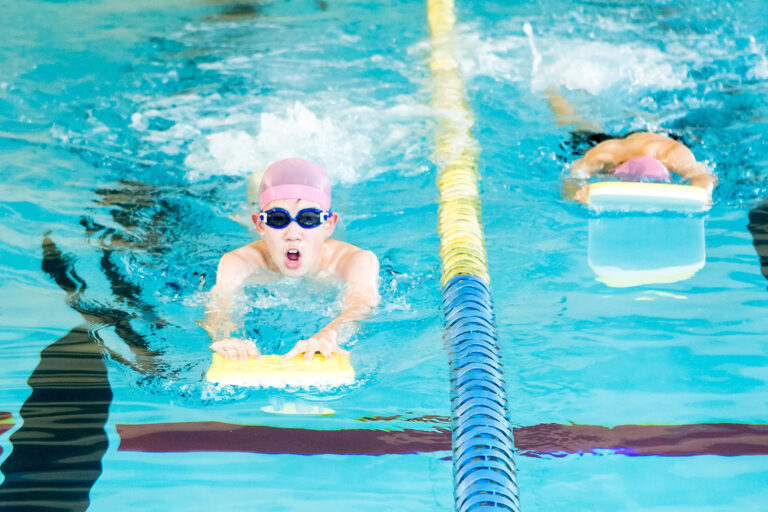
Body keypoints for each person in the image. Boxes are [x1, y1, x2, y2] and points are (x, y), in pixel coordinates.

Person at [202, 158, 380, 362]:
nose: (293, 234)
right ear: (260, 225)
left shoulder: (355, 261)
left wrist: (331, 333)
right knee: (254, 191)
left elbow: (360, 306)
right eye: (278, 219)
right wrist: (228, 338)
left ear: (328, 225)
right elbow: (220, 307)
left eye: (309, 218)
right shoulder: (238, 262)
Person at [546, 88, 718, 202]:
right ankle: (553, 93)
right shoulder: (607, 153)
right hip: (620, 143)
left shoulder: (673, 154)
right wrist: (580, 193)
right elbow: (573, 175)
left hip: (664, 138)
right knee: (579, 126)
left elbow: (704, 177)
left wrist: (701, 197)